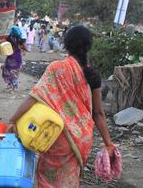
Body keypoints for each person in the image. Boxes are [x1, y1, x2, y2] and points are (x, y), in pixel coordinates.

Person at [7, 25, 115, 188]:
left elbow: (34, 98)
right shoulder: (93, 76)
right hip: (81, 138)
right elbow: (98, 113)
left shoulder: (57, 68)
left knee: (49, 179)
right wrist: (108, 143)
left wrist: (12, 120)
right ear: (88, 47)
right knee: (69, 180)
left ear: (66, 44)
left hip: (57, 135)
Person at [0, 26, 28, 91]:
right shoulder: (20, 39)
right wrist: (22, 48)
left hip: (10, 57)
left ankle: (10, 84)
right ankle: (13, 86)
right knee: (15, 71)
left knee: (8, 70)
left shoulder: (9, 38)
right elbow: (25, 48)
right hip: (17, 57)